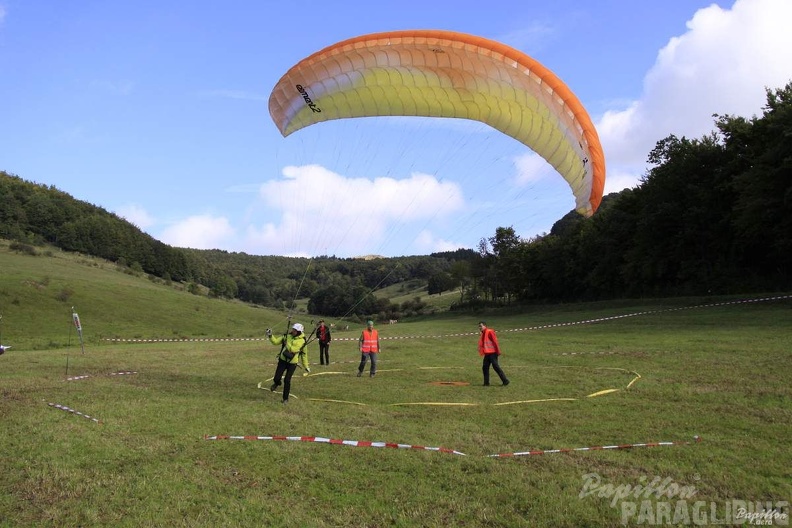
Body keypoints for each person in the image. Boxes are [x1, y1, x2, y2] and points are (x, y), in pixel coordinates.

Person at [266, 322, 310, 404]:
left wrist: (306, 366)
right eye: (293, 329)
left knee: (287, 380)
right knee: (276, 378)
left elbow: (299, 353)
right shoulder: (287, 336)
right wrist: (270, 335)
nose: (292, 331)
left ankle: (285, 399)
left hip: (292, 363)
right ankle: (277, 383)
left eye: (294, 330)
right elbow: (275, 342)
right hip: (282, 360)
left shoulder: (302, 341)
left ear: (299, 332)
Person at [478, 321, 509, 386]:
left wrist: (498, 351)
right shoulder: (483, 333)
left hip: (493, 353)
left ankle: (505, 381)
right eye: (479, 326)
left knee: (496, 366)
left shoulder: (490, 331)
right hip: (487, 353)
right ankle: (486, 383)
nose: (479, 327)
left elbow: (495, 342)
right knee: (485, 367)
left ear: (485, 326)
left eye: (481, 326)